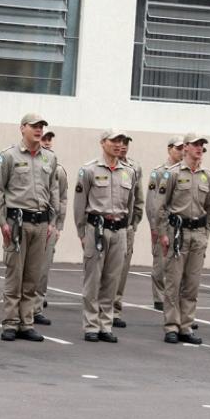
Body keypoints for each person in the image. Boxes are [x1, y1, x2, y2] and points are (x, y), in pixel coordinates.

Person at [0, 113, 60, 342]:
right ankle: (10, 322)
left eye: (41, 126)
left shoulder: (49, 158)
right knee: (15, 275)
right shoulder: (8, 156)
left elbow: (54, 190)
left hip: (40, 223)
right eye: (34, 126)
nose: (39, 130)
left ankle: (27, 323)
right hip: (17, 223)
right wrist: (2, 222)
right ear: (22, 128)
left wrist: (52, 221)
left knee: (32, 277)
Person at [73, 130, 137, 342]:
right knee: (93, 280)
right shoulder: (89, 170)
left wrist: (126, 230)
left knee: (112, 280)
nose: (119, 145)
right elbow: (79, 204)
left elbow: (131, 204)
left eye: (122, 141)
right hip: (96, 229)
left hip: (118, 230)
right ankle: (91, 325)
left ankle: (105, 325)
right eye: (114, 141)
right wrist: (82, 233)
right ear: (103, 143)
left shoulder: (128, 172)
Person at [156, 133, 210, 344]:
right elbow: (161, 207)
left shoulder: (207, 176)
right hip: (177, 232)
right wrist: (163, 233)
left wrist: (206, 234)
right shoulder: (172, 174)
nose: (200, 148)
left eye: (202, 145)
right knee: (174, 281)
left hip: (197, 233)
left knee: (192, 283)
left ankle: (186, 326)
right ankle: (171, 326)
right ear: (186, 148)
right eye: (196, 145)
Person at [146, 136, 184, 311]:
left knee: (178, 265)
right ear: (169, 149)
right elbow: (152, 202)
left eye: (184, 148)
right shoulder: (159, 172)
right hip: (163, 222)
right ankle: (159, 298)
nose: (182, 151)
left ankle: (173, 298)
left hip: (179, 225)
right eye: (178, 148)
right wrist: (155, 227)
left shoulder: (185, 171)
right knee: (160, 263)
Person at [34, 127, 67, 325]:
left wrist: (58, 226)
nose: (47, 142)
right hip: (30, 222)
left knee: (43, 269)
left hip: (49, 225)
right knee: (27, 269)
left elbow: (62, 199)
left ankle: (37, 308)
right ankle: (22, 307)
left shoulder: (58, 170)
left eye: (49, 139)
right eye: (44, 139)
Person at [112, 136, 144, 328]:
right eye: (119, 142)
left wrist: (134, 224)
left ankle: (114, 310)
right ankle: (99, 309)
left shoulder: (134, 168)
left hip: (126, 227)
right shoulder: (99, 166)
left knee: (121, 272)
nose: (123, 146)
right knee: (105, 270)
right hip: (106, 227)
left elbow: (138, 198)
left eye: (126, 143)